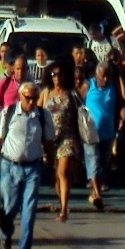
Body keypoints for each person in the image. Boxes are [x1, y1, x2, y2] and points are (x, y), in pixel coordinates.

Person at [0, 78, 53, 249]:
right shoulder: (8, 113)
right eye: (28, 98)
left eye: (35, 98)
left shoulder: (42, 115)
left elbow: (48, 142)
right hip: (9, 166)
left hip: (33, 167)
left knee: (29, 209)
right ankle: (6, 234)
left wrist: (52, 166)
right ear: (20, 96)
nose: (32, 102)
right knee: (9, 207)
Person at [40, 63, 81, 221]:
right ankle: (61, 201)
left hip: (67, 137)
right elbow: (37, 112)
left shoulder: (71, 93)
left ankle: (64, 209)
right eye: (53, 75)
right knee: (55, 175)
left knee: (63, 172)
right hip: (49, 139)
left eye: (59, 75)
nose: (57, 78)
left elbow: (82, 112)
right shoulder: (46, 93)